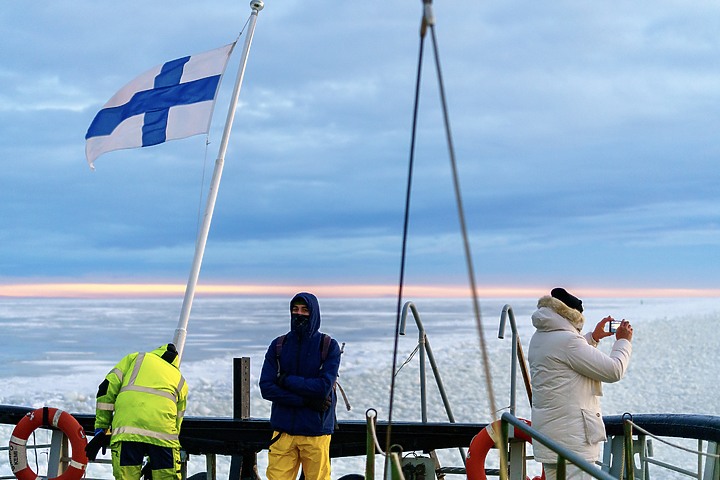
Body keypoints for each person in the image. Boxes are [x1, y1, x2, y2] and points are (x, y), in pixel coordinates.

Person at [528, 288, 633, 480]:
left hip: (550, 440)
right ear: (572, 315)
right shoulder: (568, 341)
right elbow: (614, 370)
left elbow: (565, 357)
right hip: (572, 445)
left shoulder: (540, 337)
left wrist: (594, 337)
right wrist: (623, 342)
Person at [259, 292, 342, 480]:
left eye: (305, 310)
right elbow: (266, 387)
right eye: (295, 309)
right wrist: (304, 400)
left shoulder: (328, 346)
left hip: (315, 432)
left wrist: (285, 380)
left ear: (314, 313)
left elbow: (322, 387)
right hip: (283, 431)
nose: (299, 314)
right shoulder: (279, 345)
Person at [85, 343, 188, 480]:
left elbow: (106, 389)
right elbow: (177, 421)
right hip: (164, 438)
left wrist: (102, 428)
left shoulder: (136, 358)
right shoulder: (180, 380)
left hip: (127, 432)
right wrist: (154, 460)